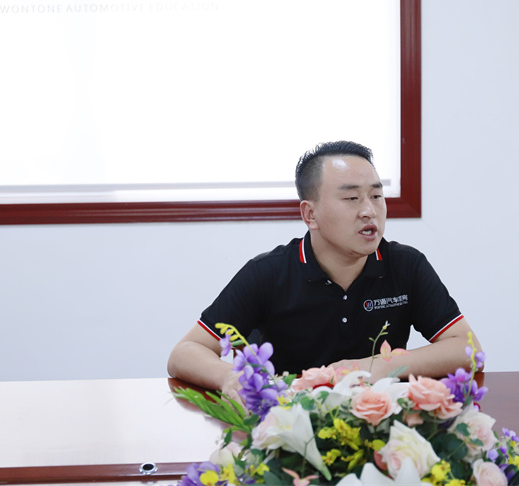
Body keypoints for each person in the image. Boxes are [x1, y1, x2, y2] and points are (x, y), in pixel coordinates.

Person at [167, 141, 481, 400]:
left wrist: (379, 366)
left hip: (378, 422)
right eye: (351, 198)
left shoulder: (405, 265)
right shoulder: (269, 273)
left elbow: (468, 349)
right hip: (289, 426)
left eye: (376, 196)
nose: (369, 210)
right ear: (310, 214)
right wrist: (229, 378)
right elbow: (184, 352)